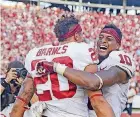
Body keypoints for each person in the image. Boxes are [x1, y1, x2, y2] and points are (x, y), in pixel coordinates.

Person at [10, 16, 114, 117]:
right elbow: (97, 100)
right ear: (77, 35)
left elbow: (22, 99)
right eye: (81, 34)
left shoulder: (35, 53)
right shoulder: (83, 50)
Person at [36, 24, 136, 117]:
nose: (103, 41)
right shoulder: (91, 60)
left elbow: (94, 82)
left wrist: (56, 67)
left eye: (109, 39)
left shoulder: (119, 57)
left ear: (118, 45)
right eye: (100, 37)